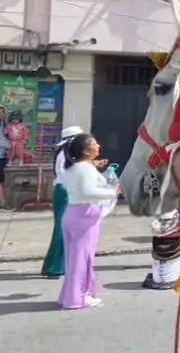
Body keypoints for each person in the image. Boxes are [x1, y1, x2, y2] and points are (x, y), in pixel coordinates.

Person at [59, 133, 118, 309]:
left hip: (72, 212)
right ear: (85, 150)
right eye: (94, 143)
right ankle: (79, 297)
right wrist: (112, 192)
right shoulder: (85, 168)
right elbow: (87, 191)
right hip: (85, 215)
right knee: (82, 258)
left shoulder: (74, 167)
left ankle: (71, 296)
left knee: (74, 258)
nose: (98, 146)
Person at [41, 125, 84, 278]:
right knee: (62, 231)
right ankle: (55, 268)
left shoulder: (66, 155)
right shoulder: (65, 155)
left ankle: (53, 266)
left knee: (63, 230)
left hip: (65, 192)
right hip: (65, 192)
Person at [0, 106, 8, 211]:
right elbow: (2, 142)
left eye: (2, 112)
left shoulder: (4, 125)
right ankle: (2, 203)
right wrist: (12, 146)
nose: (1, 114)